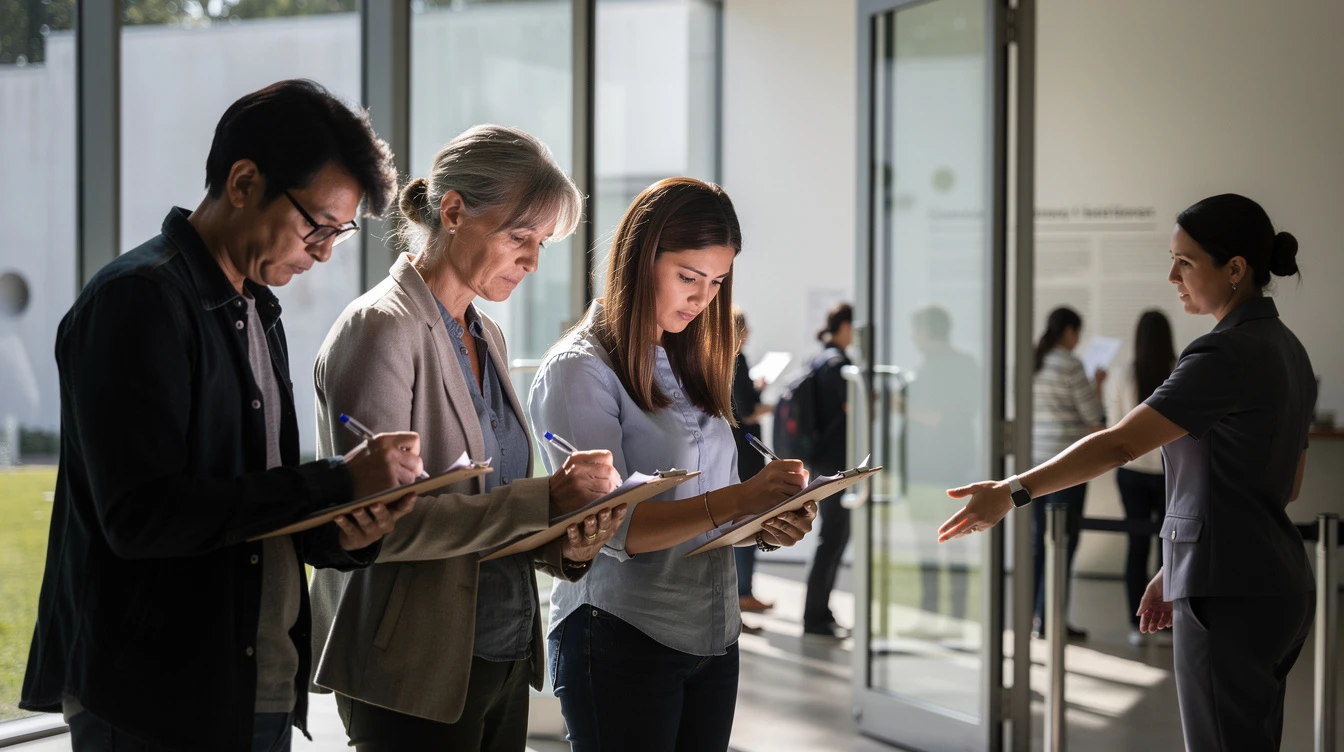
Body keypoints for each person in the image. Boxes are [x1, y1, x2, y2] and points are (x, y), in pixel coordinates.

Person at [20, 80, 423, 752]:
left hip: (251, 681)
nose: (324, 251)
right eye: (316, 226)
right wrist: (332, 481)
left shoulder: (256, 307)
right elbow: (144, 516)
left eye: (339, 234)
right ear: (243, 182)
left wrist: (347, 527)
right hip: (156, 696)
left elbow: (253, 509)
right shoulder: (138, 301)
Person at [940, 193, 1314, 751]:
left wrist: (1012, 491)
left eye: (1185, 262)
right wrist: (1179, 563)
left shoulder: (1223, 353)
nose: (1172, 275)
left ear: (1235, 269)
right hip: (1275, 583)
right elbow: (1286, 485)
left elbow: (1119, 444)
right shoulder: (1288, 348)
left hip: (1226, 590)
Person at [308, 125, 624, 752]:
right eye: (520, 237)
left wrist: (569, 538)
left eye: (542, 243)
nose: (533, 261)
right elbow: (378, 527)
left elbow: (494, 504)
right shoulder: (382, 328)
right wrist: (545, 500)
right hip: (413, 666)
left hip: (501, 653)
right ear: (453, 211)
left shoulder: (486, 335)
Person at [529, 177, 819, 752]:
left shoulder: (689, 359)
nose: (702, 298)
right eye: (688, 278)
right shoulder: (579, 370)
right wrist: (745, 499)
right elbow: (613, 532)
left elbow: (708, 510)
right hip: (619, 632)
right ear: (640, 260)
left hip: (713, 631)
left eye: (716, 283)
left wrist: (766, 525)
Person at [1030, 306, 1105, 640]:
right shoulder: (1072, 365)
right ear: (1070, 332)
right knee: (1063, 542)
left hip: (1033, 464)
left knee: (1037, 542)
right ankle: (1052, 619)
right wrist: (1097, 385)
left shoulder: (1034, 361)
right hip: (1066, 467)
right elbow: (1094, 419)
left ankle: (1032, 614)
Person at [905, 306, 979, 624]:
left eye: (916, 331)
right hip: (952, 465)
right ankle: (953, 611)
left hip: (931, 469)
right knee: (952, 542)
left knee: (931, 543)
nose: (913, 338)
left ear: (927, 332)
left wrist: (900, 406)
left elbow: (937, 418)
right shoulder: (964, 365)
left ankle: (932, 609)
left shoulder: (937, 369)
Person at [1107, 309, 1176, 647]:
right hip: (1169, 473)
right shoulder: (1179, 369)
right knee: (1170, 549)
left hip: (1131, 471)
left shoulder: (1123, 374)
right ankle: (1165, 622)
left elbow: (1115, 425)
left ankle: (1136, 625)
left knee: (1136, 548)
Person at [802, 302, 855, 638]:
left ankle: (819, 613)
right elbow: (855, 408)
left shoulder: (820, 358)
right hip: (835, 463)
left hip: (821, 460)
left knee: (831, 538)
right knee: (833, 539)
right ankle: (816, 617)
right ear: (845, 326)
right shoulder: (838, 364)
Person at [731, 305, 775, 617]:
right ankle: (742, 593)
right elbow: (746, 412)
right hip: (745, 453)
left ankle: (740, 593)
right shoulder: (737, 359)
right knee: (749, 521)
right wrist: (769, 407)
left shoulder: (715, 358)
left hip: (731, 453)